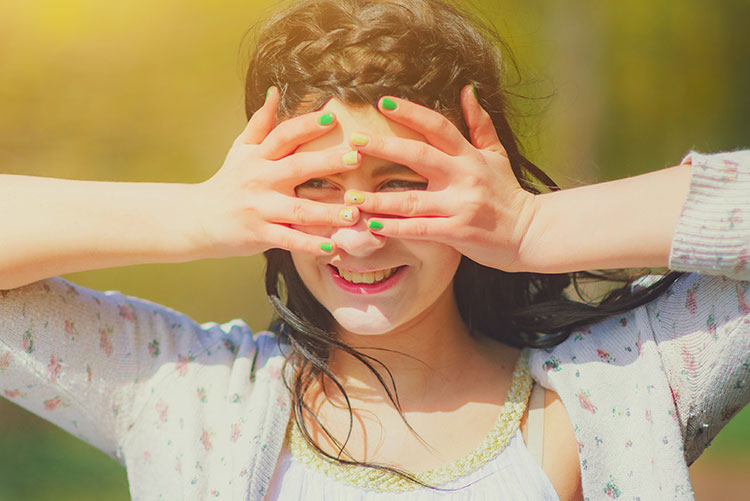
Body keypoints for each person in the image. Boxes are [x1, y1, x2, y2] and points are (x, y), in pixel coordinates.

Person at [1, 0, 748, 499]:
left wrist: (531, 227)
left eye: (402, 185)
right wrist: (198, 214)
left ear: (473, 188)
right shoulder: (181, 390)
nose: (358, 234)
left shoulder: (620, 384)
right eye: (317, 183)